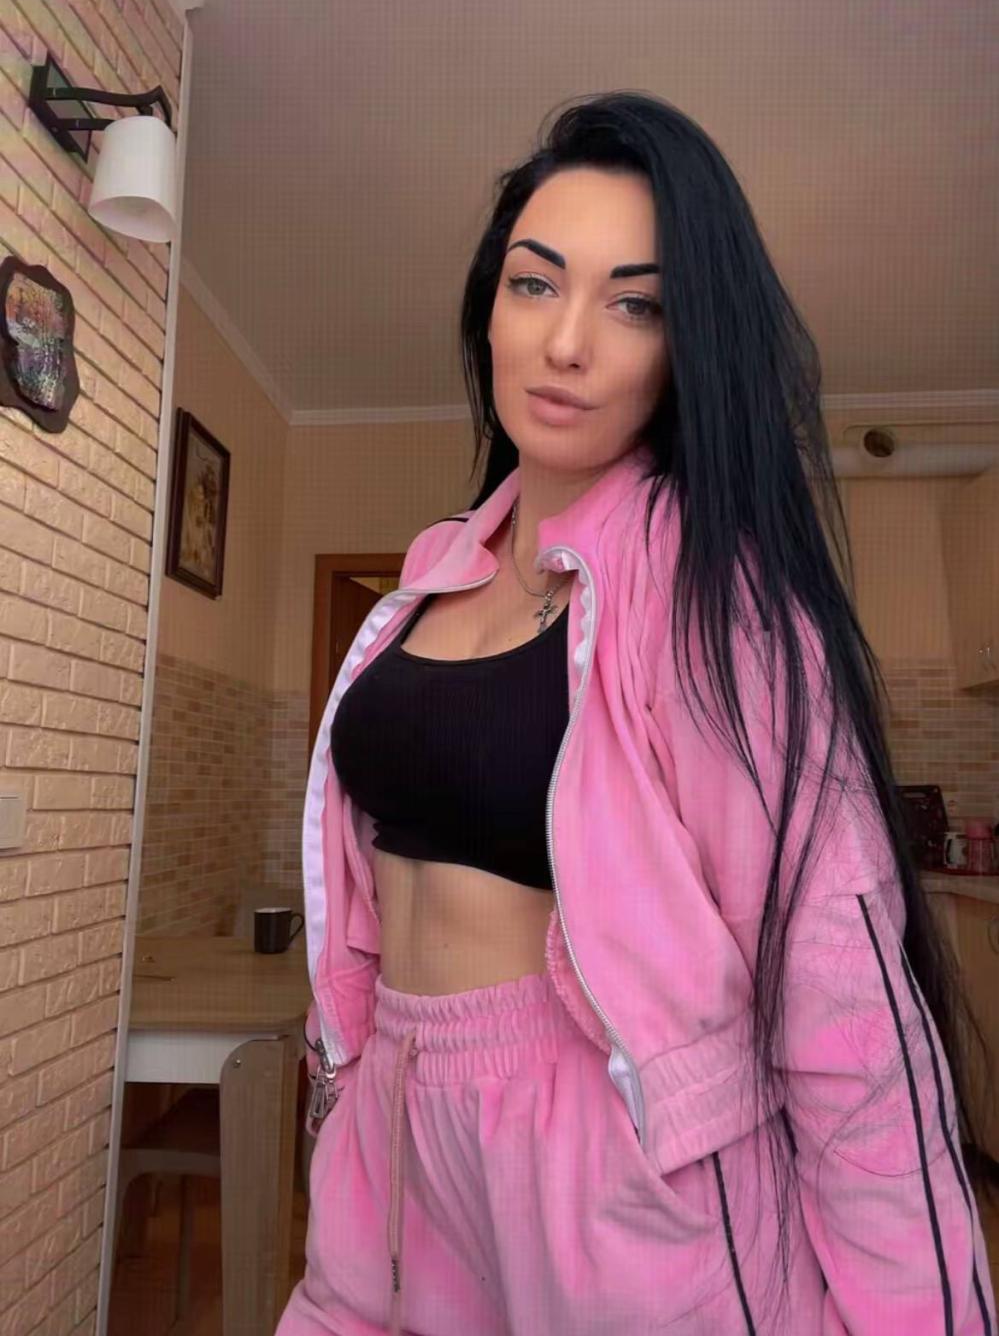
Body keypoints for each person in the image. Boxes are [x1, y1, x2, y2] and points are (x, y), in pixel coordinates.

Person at [276, 92, 997, 1335]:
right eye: (535, 284)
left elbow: (843, 994)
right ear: (488, 308)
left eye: (635, 305)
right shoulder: (430, 575)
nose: (566, 342)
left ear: (684, 349)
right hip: (394, 1123)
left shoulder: (715, 598)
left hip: (619, 1167)